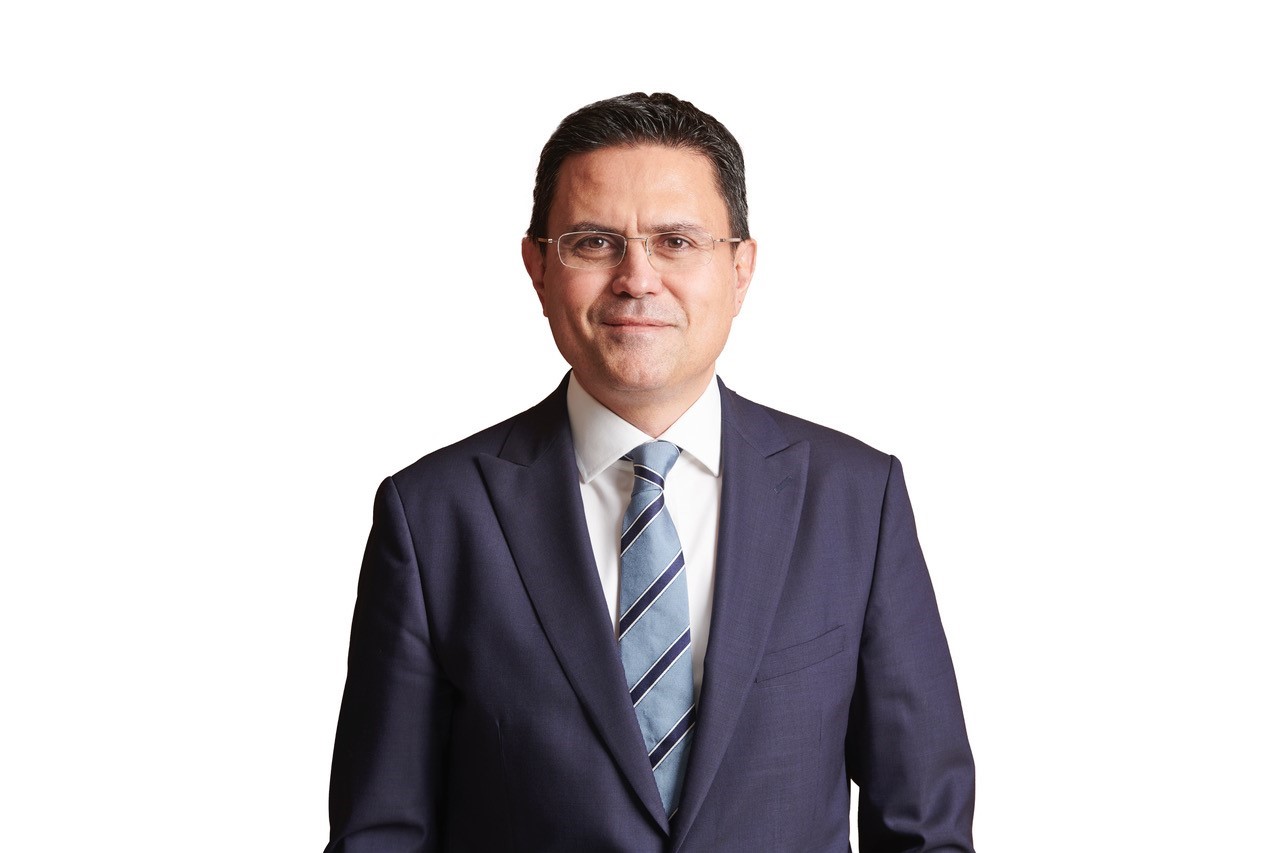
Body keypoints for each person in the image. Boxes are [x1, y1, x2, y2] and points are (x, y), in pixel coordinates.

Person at [324, 92, 976, 852]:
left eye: (676, 241)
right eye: (594, 242)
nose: (637, 278)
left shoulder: (857, 500)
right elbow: (380, 836)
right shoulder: (432, 516)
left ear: (741, 269)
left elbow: (924, 828)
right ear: (538, 267)